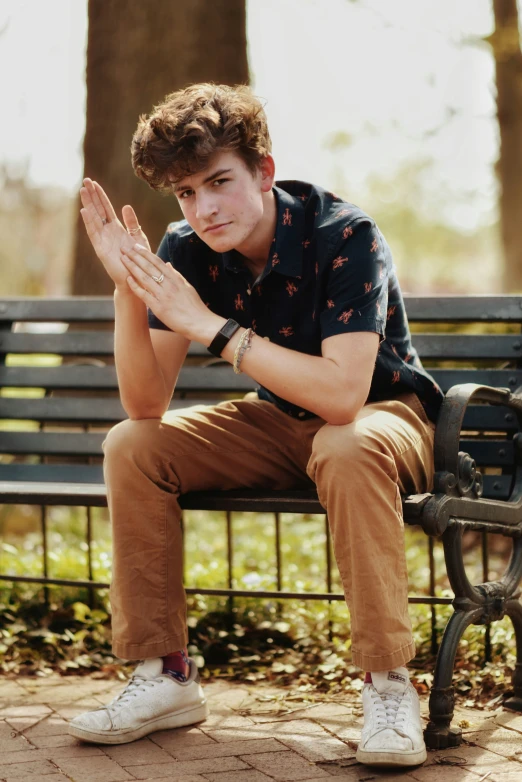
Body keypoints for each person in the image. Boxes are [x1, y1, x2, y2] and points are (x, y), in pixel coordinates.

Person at [68, 83, 443, 767]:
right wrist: (130, 286)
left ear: (264, 171)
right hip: (281, 423)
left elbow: (342, 395)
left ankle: (389, 685)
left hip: (380, 418)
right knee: (133, 446)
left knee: (345, 444)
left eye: (219, 182)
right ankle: (164, 676)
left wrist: (212, 327)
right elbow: (145, 405)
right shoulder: (186, 248)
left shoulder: (344, 235)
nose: (203, 208)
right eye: (185, 193)